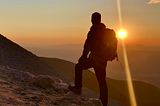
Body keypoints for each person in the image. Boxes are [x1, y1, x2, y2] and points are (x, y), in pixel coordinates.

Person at [68, 12, 116, 106]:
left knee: (78, 67)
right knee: (102, 82)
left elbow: (87, 47)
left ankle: (78, 88)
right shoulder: (106, 32)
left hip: (93, 60)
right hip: (103, 61)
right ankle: (104, 103)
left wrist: (82, 58)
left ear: (92, 20)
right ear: (100, 20)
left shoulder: (93, 32)